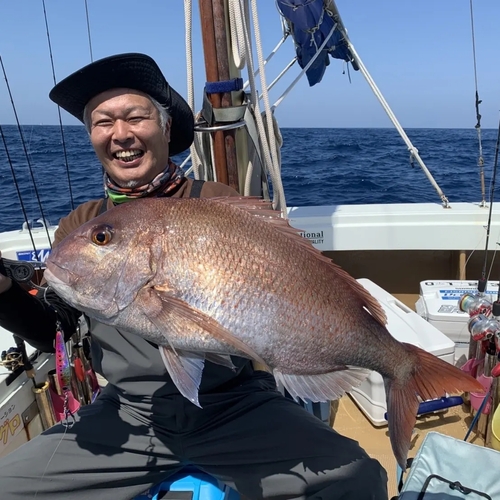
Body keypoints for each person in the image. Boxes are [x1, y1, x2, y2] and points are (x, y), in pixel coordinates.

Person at [0, 53, 388, 500]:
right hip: (128, 413)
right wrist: (5, 292)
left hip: (237, 405)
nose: (120, 134)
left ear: (165, 129)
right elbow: (58, 333)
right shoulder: (82, 226)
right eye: (102, 122)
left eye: (135, 117)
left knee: (358, 481)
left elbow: (289, 286)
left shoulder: (216, 205)